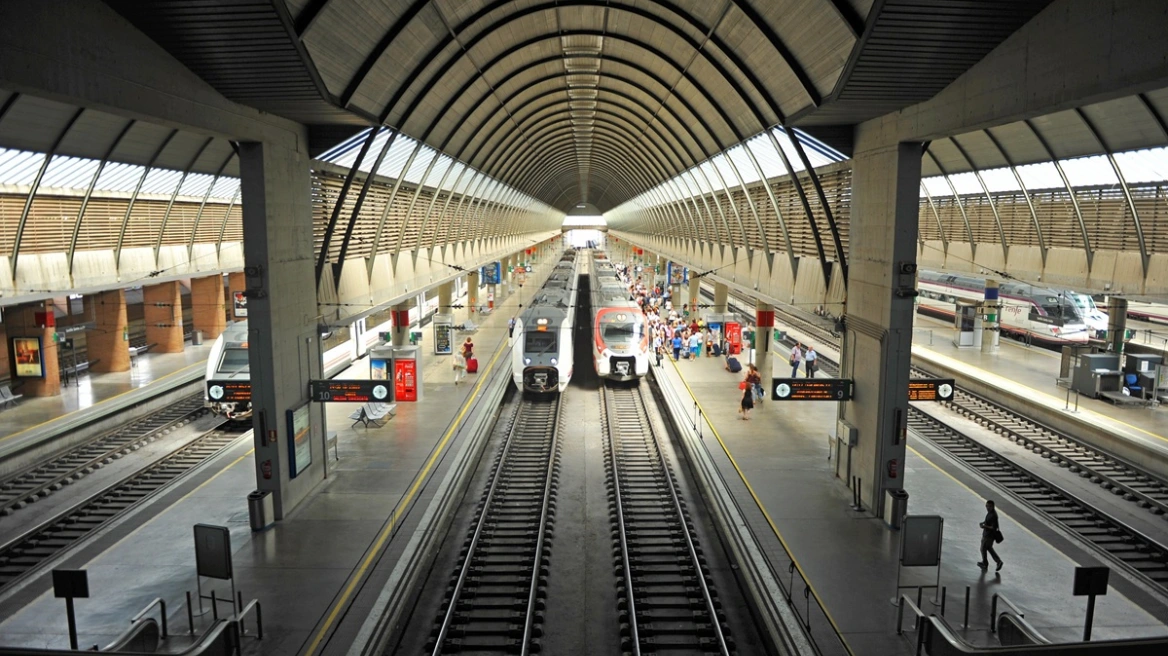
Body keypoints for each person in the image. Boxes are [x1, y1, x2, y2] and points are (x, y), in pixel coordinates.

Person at [977, 499, 1004, 572]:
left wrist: (984, 526)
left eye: (989, 506)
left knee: (983, 548)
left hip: (989, 536)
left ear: (992, 506)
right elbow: (988, 522)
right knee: (988, 548)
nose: (987, 508)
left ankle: (985, 563)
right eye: (986, 506)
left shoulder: (993, 515)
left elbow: (993, 527)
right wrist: (983, 523)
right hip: (987, 534)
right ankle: (998, 561)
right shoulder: (990, 513)